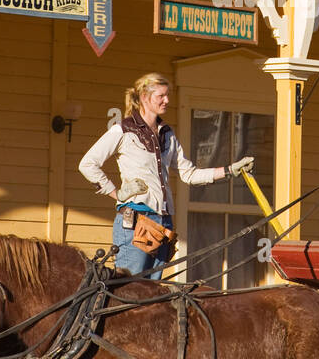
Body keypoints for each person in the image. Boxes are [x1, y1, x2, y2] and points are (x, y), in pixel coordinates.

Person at [79, 71, 253, 277]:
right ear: (145, 97)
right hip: (136, 219)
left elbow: (189, 174)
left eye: (167, 95)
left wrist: (229, 170)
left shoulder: (167, 134)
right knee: (129, 291)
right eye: (161, 95)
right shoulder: (123, 130)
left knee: (153, 294)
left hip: (164, 223)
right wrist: (117, 193)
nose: (167, 100)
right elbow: (87, 164)